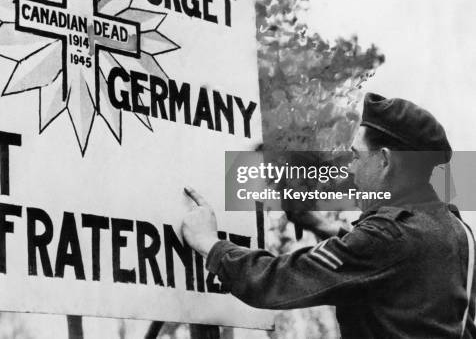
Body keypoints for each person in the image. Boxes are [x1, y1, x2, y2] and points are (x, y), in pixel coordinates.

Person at [181, 93, 476, 338]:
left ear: (385, 160)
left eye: (356, 156)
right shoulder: (457, 231)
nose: (350, 168)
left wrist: (211, 244)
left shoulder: (387, 237)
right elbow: (388, 266)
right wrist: (321, 225)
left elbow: (280, 281)